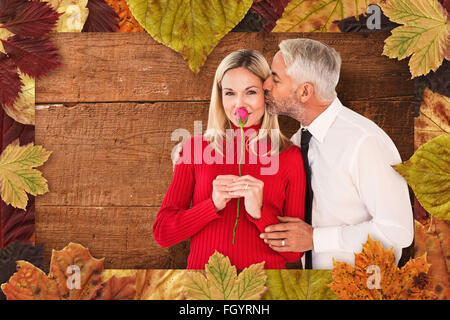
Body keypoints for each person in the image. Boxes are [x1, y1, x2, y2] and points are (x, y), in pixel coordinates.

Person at [260, 38, 414, 269]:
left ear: (305, 92)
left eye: (276, 78)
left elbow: (398, 232)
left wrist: (315, 239)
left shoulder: (364, 142)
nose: (265, 85)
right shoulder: (297, 142)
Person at [153, 49, 306, 270]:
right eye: (230, 93)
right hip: (204, 288)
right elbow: (163, 234)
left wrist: (259, 212)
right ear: (220, 96)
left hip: (266, 288)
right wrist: (211, 205)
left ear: (267, 94)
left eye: (250, 92)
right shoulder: (195, 148)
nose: (239, 104)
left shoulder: (290, 156)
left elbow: (294, 253)